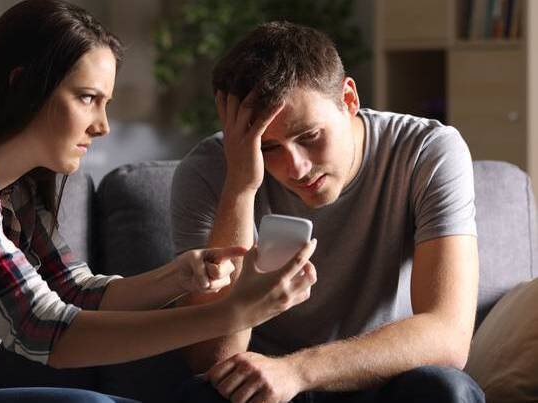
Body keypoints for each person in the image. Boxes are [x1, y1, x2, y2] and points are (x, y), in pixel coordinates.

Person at [0, 3, 318, 402]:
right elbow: (42, 328)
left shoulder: (16, 194)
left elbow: (74, 290)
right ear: (22, 86)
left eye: (106, 103)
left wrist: (180, 277)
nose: (102, 126)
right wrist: (233, 314)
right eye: (87, 98)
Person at [171, 22, 485, 403]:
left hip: (379, 378)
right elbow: (211, 358)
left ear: (348, 99)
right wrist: (239, 186)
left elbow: (448, 336)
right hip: (262, 385)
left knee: (448, 390)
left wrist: (299, 371)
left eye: (309, 136)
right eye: (268, 148)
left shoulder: (426, 151)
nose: (297, 168)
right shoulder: (207, 171)